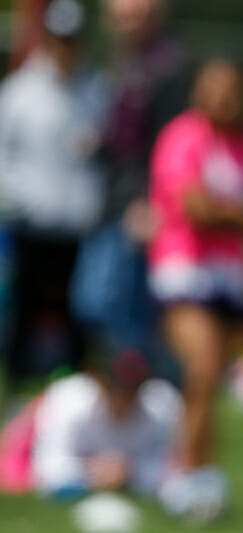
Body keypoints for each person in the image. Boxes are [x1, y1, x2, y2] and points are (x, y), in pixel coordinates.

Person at [148, 58, 243, 520]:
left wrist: (227, 210)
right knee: (201, 370)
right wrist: (237, 212)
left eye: (234, 90)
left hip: (233, 276)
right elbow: (193, 207)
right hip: (184, 268)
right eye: (216, 89)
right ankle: (184, 475)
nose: (225, 99)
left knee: (209, 385)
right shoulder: (183, 136)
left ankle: (203, 474)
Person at [67, 0, 191, 367]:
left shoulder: (169, 66)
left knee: (111, 303)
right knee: (99, 303)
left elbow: (171, 141)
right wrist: (100, 142)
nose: (127, 24)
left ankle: (143, 384)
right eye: (120, 17)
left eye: (136, 16)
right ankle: (127, 381)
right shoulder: (121, 61)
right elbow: (127, 137)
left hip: (138, 207)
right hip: (109, 200)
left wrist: (152, 201)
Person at [0, 0, 109, 397]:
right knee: (24, 309)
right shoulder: (20, 91)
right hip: (31, 221)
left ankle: (70, 393)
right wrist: (19, 197)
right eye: (60, 39)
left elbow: (105, 154)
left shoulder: (96, 90)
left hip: (79, 225)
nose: (67, 48)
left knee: (76, 313)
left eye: (73, 40)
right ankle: (16, 388)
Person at [0, 346, 182, 499]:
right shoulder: (70, 402)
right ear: (101, 382)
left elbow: (173, 468)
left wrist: (130, 472)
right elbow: (47, 464)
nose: (124, 398)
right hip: (35, 426)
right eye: (117, 388)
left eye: (132, 390)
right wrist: (92, 471)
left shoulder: (161, 405)